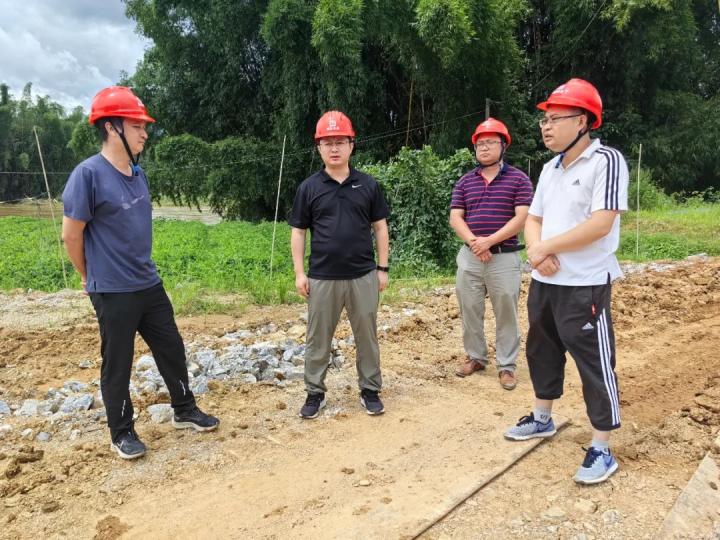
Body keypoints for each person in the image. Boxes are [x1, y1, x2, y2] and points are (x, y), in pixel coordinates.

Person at [62, 86, 219, 460]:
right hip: (112, 289)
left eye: (144, 126)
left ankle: (184, 409)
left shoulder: (138, 174)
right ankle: (122, 432)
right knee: (118, 362)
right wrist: (89, 275)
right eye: (136, 126)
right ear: (111, 127)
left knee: (171, 347)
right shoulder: (88, 175)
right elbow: (71, 235)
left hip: (148, 282)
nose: (144, 133)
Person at [504, 79, 629, 485]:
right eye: (544, 120)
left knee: (594, 361)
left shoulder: (606, 161)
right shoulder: (550, 168)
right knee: (541, 348)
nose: (546, 126)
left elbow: (601, 223)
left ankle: (602, 446)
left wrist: (546, 247)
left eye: (556, 119)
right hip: (547, 280)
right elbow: (534, 218)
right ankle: (542, 417)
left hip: (585, 282)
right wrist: (537, 250)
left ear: (583, 121)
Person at [289, 110, 390, 419]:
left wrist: (382, 269)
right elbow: (298, 231)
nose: (334, 148)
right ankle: (314, 393)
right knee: (317, 338)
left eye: (340, 142)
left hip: (363, 275)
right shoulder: (309, 188)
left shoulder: (368, 185)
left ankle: (370, 390)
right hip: (322, 277)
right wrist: (299, 273)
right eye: (327, 142)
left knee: (367, 336)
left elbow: (380, 228)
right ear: (319, 147)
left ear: (351, 145)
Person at [450, 118, 533, 390]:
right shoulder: (465, 181)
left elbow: (522, 218)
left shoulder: (519, 179)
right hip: (470, 256)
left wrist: (490, 241)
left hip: (504, 257)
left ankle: (507, 365)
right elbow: (455, 217)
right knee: (469, 309)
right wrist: (475, 242)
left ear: (503, 146)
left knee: (506, 311)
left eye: (490, 142)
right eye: (480, 143)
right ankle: (476, 357)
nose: (484, 148)